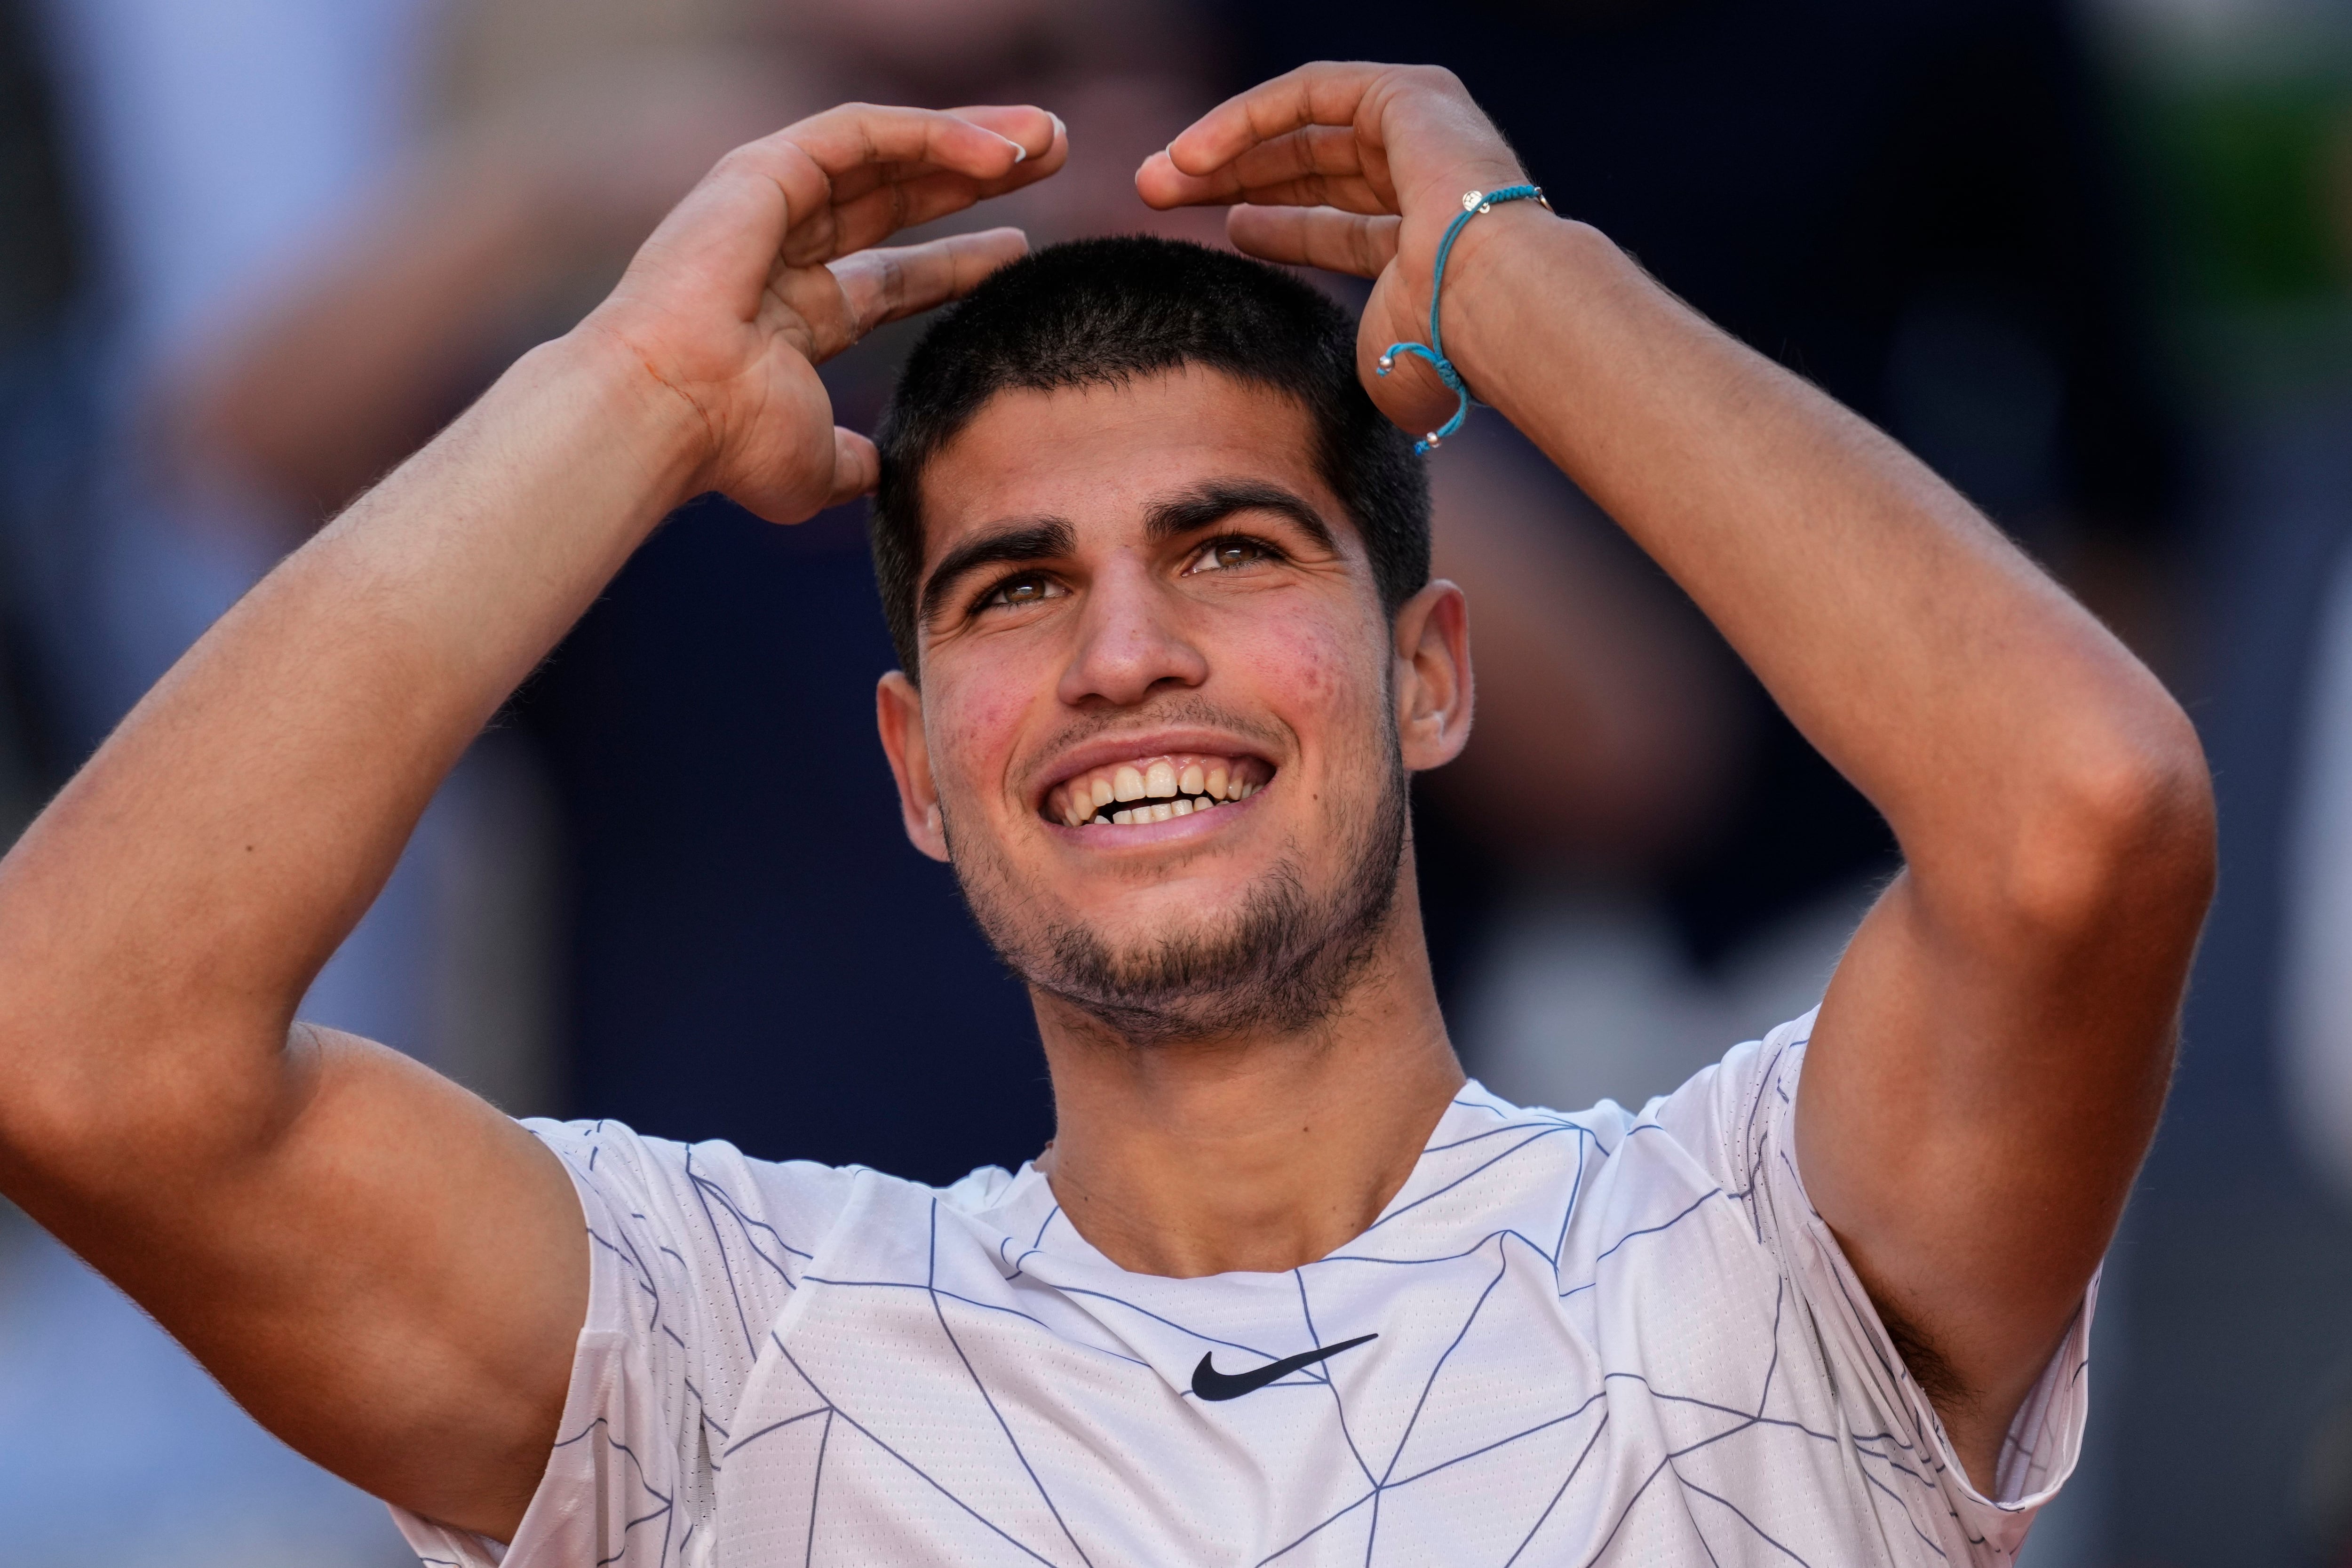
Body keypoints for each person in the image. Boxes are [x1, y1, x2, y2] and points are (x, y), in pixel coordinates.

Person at [0, 62, 2213, 1567]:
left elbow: (2079, 822)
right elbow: (78, 1048)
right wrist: (635, 391)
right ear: (918, 773)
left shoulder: (1751, 1248)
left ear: (1429, 673)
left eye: (1231, 550)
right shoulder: (730, 1350)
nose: (1120, 651)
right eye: (1014, 587)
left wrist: (1509, 276)